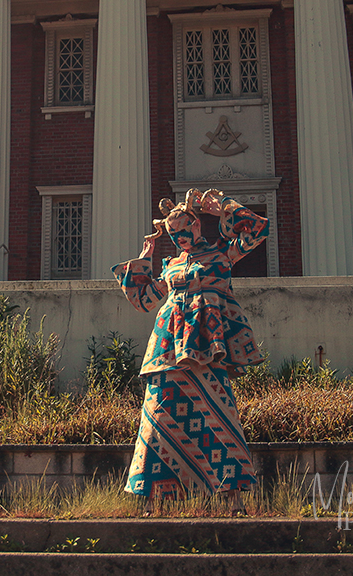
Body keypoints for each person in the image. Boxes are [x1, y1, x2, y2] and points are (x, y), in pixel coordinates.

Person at [111, 188, 269, 516]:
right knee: (158, 418)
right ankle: (152, 501)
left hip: (209, 349)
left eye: (184, 229)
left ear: (196, 226)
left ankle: (233, 499)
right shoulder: (170, 267)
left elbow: (257, 229)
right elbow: (144, 300)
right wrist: (147, 255)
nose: (180, 237)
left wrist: (221, 206)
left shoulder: (223, 254)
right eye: (173, 233)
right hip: (167, 351)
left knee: (219, 416)